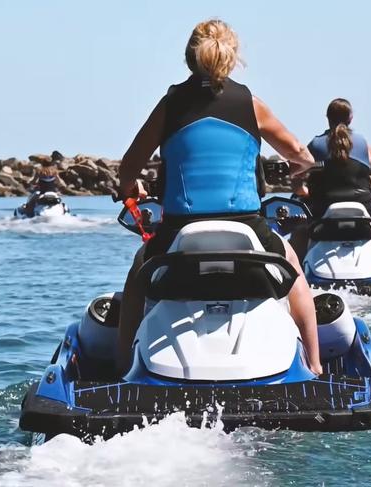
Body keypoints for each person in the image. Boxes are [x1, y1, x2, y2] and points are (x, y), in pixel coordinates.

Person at [116, 19, 322, 375]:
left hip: (179, 231)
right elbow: (300, 152)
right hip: (248, 228)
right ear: (233, 56)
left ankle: (121, 369)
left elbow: (129, 165)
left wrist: (129, 187)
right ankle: (316, 366)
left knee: (137, 277)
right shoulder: (251, 104)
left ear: (189, 58)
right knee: (295, 271)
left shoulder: (170, 104)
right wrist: (299, 169)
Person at [292, 98, 371, 277]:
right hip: (362, 206)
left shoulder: (315, 144)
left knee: (300, 231)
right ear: (350, 118)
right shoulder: (362, 143)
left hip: (322, 209)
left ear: (327, 118)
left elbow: (296, 178)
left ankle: (297, 277)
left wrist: (303, 191)